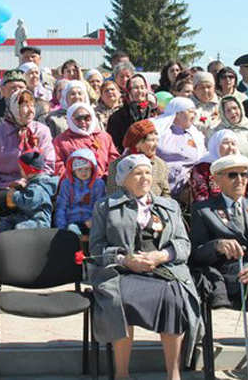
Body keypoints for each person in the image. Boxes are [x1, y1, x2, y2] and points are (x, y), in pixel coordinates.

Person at [90, 154, 202, 380]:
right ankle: (122, 374)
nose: (144, 178)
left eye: (148, 173)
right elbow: (97, 247)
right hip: (122, 271)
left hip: (163, 269)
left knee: (174, 300)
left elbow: (183, 243)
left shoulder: (169, 206)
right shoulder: (106, 206)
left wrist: (161, 255)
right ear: (124, 179)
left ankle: (174, 374)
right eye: (137, 173)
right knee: (120, 300)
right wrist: (125, 259)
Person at [191, 155, 248, 380]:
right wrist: (217, 246)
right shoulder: (204, 210)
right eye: (233, 175)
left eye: (245, 175)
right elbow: (194, 255)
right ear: (217, 179)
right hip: (231, 276)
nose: (240, 180)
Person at [0, 89, 55, 199]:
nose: (30, 111)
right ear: (14, 108)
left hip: (36, 186)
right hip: (4, 187)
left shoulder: (42, 131)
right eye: (25, 105)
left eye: (32, 105)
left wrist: (27, 181)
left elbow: (48, 165)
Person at [154, 97, 206, 203]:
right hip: (160, 185)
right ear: (177, 114)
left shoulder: (195, 135)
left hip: (188, 187)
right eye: (190, 111)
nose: (194, 115)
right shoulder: (159, 132)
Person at [0, 150, 59, 233]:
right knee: (6, 221)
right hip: (26, 217)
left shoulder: (37, 187)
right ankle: (2, 243)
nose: (20, 171)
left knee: (20, 228)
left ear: (28, 170)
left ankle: (19, 245)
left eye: (21, 169)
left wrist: (15, 195)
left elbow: (30, 204)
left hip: (38, 221)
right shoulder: (32, 183)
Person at [106, 119, 170, 197]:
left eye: (157, 140)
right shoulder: (118, 165)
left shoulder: (160, 164)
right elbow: (113, 194)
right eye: (151, 140)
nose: (156, 144)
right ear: (137, 144)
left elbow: (165, 193)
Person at [53, 102, 119, 178]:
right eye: (78, 118)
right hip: (76, 186)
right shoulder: (61, 140)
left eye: (87, 117)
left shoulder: (104, 137)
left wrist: (107, 177)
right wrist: (74, 180)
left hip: (105, 183)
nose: (83, 122)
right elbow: (58, 165)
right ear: (70, 119)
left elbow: (114, 160)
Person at [191, 129, 248, 202]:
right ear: (216, 145)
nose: (230, 148)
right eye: (226, 143)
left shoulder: (243, 167)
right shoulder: (202, 168)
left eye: (233, 144)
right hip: (213, 209)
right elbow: (200, 196)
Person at [55, 148, 105, 237]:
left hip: (92, 221)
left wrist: (94, 219)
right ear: (73, 171)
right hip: (72, 221)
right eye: (79, 169)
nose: (83, 172)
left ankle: (96, 250)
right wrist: (61, 228)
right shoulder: (67, 184)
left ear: (92, 169)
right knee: (72, 232)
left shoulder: (98, 184)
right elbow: (61, 206)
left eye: (87, 169)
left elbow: (101, 206)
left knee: (98, 233)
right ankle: (74, 249)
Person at [211, 95, 248, 174]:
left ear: (241, 109)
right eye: (228, 110)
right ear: (223, 113)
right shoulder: (219, 134)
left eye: (235, 108)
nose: (233, 112)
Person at [107, 74, 159, 152]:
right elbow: (114, 143)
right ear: (128, 91)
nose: (140, 91)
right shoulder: (117, 116)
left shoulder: (155, 112)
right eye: (136, 88)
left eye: (142, 87)